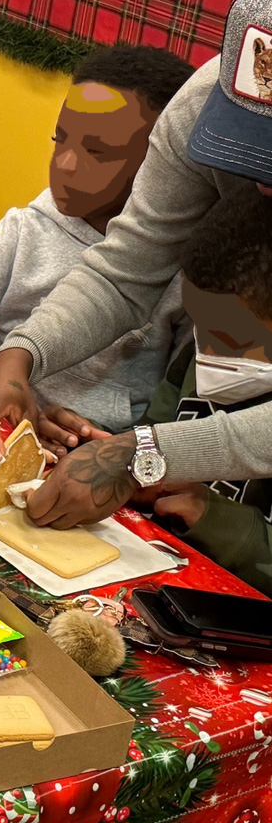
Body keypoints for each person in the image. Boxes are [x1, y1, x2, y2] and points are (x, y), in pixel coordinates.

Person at [0, 0, 272, 529]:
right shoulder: (205, 103)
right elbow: (125, 272)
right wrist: (20, 353)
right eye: (251, 154)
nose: (261, 185)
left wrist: (144, 453)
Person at [0, 44, 193, 437]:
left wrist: (117, 449)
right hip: (6, 422)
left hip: (102, 451)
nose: (64, 164)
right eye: (59, 139)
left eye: (97, 151)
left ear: (161, 165)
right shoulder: (29, 228)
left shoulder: (185, 271)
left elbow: (182, 406)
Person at [129, 194, 272, 594]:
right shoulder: (199, 349)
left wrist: (213, 516)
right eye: (199, 328)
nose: (205, 350)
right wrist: (125, 455)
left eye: (229, 339)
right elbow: (155, 429)